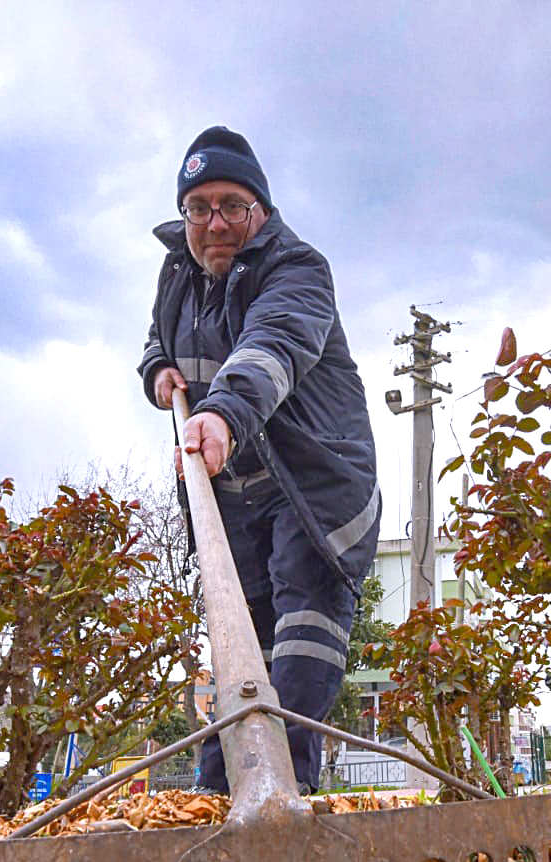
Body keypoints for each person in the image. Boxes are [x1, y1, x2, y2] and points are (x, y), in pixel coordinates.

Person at [138, 126, 380, 795]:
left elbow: (273, 344)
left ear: (261, 212)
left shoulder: (297, 269)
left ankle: (282, 798)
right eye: (200, 207)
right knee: (239, 651)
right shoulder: (178, 275)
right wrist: (157, 365)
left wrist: (222, 411)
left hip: (312, 484)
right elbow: (159, 336)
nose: (215, 223)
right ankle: (218, 801)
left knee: (299, 643)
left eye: (233, 206)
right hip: (231, 490)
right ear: (185, 212)